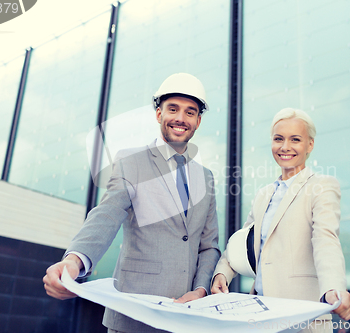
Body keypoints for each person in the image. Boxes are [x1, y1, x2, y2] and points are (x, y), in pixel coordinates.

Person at [43, 73, 221, 333]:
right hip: (134, 316)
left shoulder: (206, 177)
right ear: (159, 114)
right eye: (173, 109)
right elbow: (106, 215)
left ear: (198, 121)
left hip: (187, 318)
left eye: (190, 112)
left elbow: (209, 246)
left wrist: (201, 289)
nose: (181, 118)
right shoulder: (131, 161)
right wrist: (74, 260)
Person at [211, 108, 350, 332]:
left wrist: (334, 288)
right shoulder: (263, 195)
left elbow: (326, 241)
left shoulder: (322, 186)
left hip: (302, 318)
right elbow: (242, 243)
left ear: (310, 145)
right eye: (279, 139)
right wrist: (222, 273)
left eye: (295, 139)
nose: (285, 147)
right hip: (259, 315)